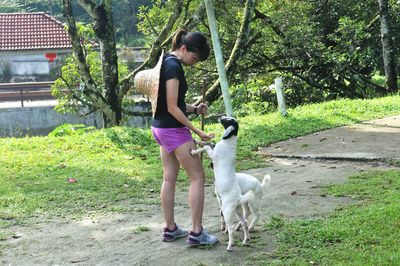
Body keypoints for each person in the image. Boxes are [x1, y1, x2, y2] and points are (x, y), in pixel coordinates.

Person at [151, 29, 218, 247]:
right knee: (198, 177)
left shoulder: (167, 62)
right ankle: (197, 233)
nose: (195, 63)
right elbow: (172, 107)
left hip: (160, 128)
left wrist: (194, 109)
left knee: (169, 178)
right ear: (184, 48)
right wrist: (197, 131)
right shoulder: (173, 67)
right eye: (195, 58)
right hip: (173, 130)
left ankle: (170, 229)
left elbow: (171, 103)